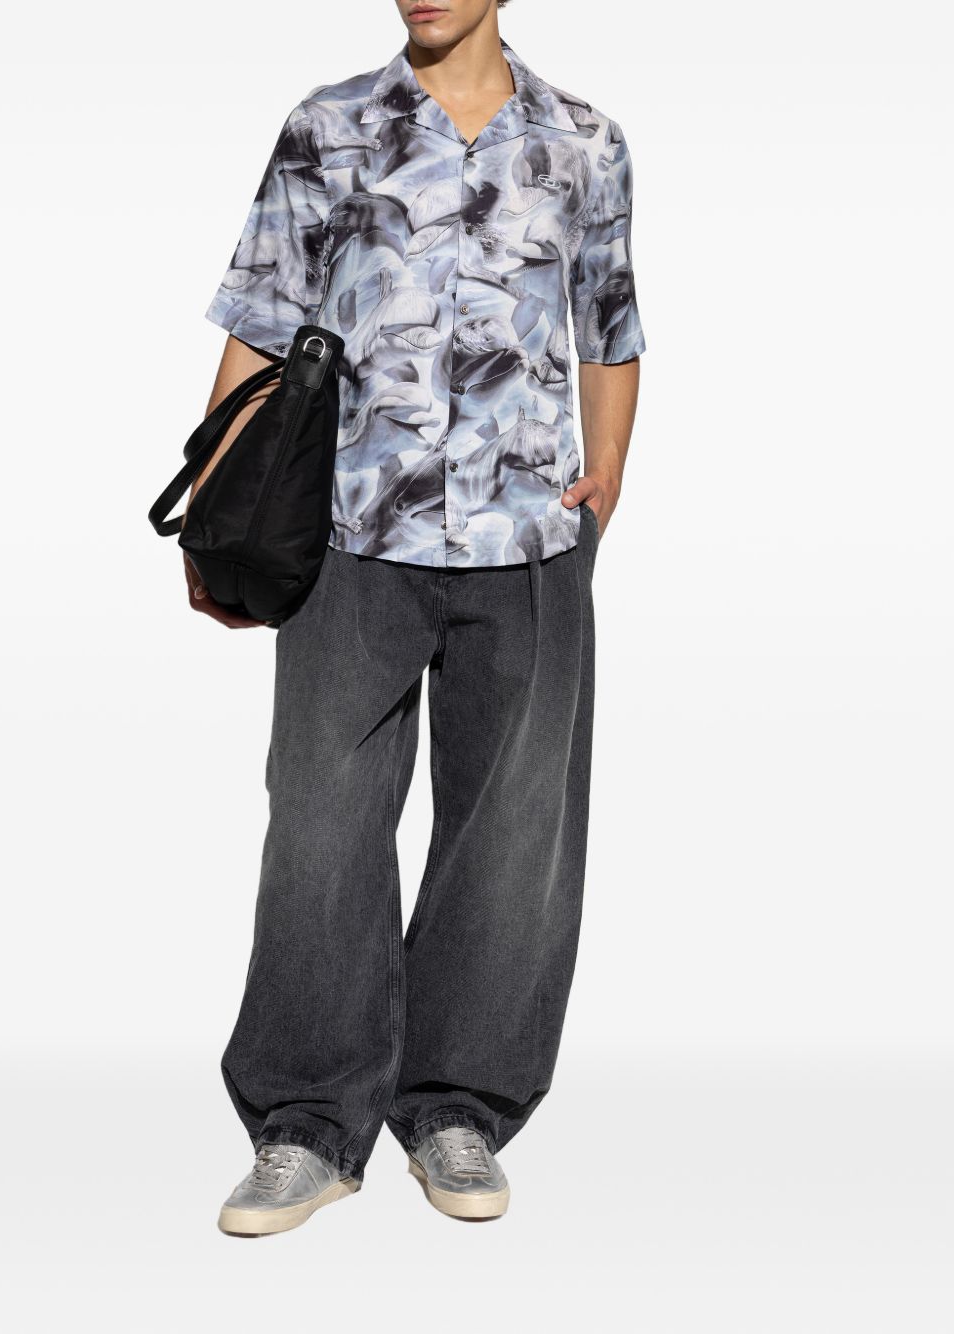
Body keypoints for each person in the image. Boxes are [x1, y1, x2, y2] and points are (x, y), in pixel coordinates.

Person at [187, 0, 644, 1234]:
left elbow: (608, 321)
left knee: (511, 837)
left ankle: (456, 1105)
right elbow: (261, 321)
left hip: (528, 545)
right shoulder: (327, 125)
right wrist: (220, 512)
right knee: (320, 825)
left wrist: (605, 475)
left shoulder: (586, 140)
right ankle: (305, 1122)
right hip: (349, 536)